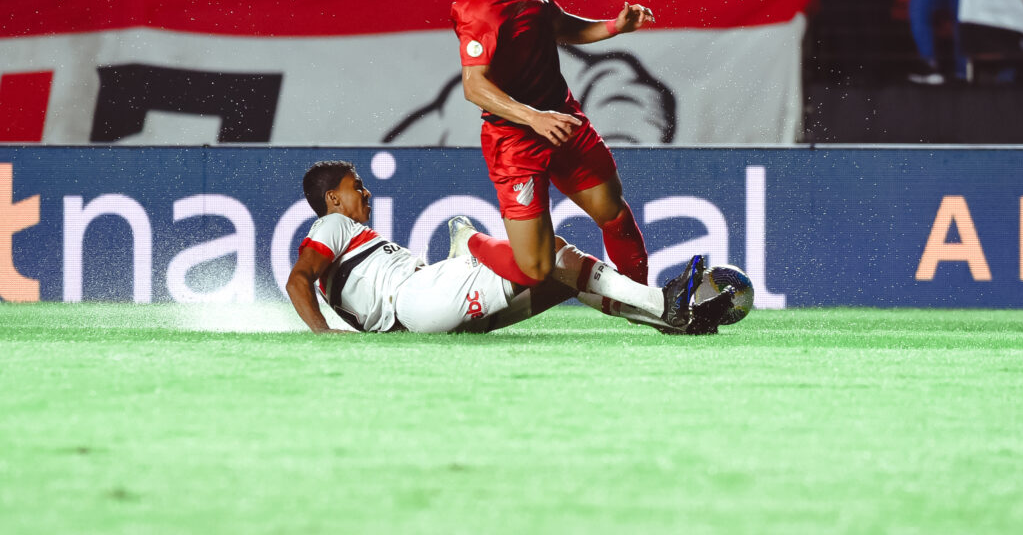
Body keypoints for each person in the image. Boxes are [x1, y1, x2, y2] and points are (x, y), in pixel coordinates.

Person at [450, 0, 654, 311]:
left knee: (614, 214)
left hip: (563, 121)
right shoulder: (477, 8)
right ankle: (468, 240)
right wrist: (533, 117)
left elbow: (556, 25)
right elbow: (474, 86)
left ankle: (645, 304)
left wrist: (614, 26)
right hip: (517, 139)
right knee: (535, 268)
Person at [286, 160, 734, 335]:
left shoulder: (360, 243)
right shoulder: (332, 224)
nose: (366, 194)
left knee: (561, 279)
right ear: (332, 199)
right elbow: (298, 279)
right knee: (549, 251)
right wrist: (325, 337)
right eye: (356, 187)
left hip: (423, 316)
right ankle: (664, 302)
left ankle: (667, 320)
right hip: (416, 300)